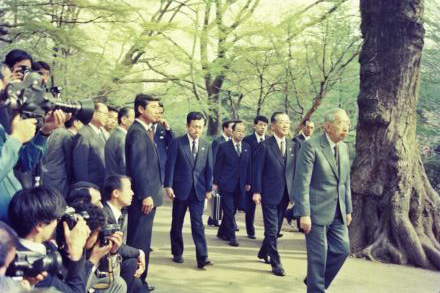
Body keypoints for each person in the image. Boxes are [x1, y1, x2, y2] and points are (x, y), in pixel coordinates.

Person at [292, 108, 352, 293]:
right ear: (327, 126)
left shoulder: (343, 147)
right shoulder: (312, 146)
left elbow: (345, 181)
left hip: (338, 210)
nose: (346, 128)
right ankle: (316, 288)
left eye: (348, 124)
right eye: (341, 123)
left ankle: (313, 281)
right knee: (318, 257)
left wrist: (348, 209)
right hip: (315, 210)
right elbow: (302, 182)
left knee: (342, 250)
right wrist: (304, 213)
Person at [0, 60, 67, 221]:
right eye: (9, 80)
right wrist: (16, 139)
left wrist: (44, 132)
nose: (13, 86)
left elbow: (24, 164)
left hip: (14, 224)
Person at [8, 186, 90, 292]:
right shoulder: (31, 269)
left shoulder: (45, 245)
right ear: (40, 226)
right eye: (58, 219)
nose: (59, 223)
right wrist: (77, 255)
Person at [164, 112, 213, 269]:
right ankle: (177, 252)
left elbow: (209, 169)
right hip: (180, 190)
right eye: (194, 127)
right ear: (188, 126)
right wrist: (168, 185)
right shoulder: (178, 143)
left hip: (198, 191)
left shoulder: (206, 145)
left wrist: (208, 188)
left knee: (198, 224)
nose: (197, 130)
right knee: (177, 222)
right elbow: (170, 165)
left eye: (200, 127)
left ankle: (202, 257)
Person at [125, 94, 163, 291]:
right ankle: (134, 284)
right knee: (138, 241)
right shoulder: (137, 133)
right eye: (154, 107)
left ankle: (141, 282)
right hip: (143, 199)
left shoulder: (146, 131)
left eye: (159, 107)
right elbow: (138, 167)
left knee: (143, 241)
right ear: (141, 109)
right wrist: (145, 194)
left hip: (148, 197)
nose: (158, 110)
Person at [252, 112, 296, 277]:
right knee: (271, 229)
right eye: (282, 122)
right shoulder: (265, 145)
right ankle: (276, 263)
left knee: (276, 228)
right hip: (268, 193)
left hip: (285, 194)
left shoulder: (293, 145)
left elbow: (294, 171)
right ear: (273, 126)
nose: (286, 125)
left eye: (288, 122)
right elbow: (257, 170)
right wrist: (257, 191)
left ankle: (263, 252)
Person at [101, 175, 149, 292]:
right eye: (129, 189)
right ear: (116, 193)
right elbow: (115, 246)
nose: (132, 193)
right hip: (100, 267)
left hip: (111, 263)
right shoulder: (104, 215)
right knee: (131, 265)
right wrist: (139, 253)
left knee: (137, 283)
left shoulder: (117, 213)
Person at [71, 202, 127, 293]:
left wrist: (112, 254)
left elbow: (109, 278)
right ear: (87, 232)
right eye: (97, 233)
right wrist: (93, 260)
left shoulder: (92, 249)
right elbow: (76, 287)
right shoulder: (68, 249)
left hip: (90, 285)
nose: (99, 238)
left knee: (118, 283)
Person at [214, 120, 251, 247]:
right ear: (232, 132)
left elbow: (248, 166)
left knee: (233, 210)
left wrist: (248, 182)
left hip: (240, 185)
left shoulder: (246, 147)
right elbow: (217, 165)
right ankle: (232, 236)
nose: (241, 134)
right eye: (238, 131)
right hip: (226, 184)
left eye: (243, 131)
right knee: (229, 211)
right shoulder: (223, 146)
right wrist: (215, 183)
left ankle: (221, 232)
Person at [41, 117, 83, 196]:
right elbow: (69, 160)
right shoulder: (66, 135)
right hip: (58, 179)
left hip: (50, 176)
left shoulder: (58, 133)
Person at [285, 119, 315, 225]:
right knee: (300, 199)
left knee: (307, 199)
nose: (310, 130)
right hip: (298, 175)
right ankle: (298, 223)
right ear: (302, 127)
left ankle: (289, 213)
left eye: (312, 128)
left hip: (311, 176)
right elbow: (295, 160)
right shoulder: (296, 141)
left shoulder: (313, 141)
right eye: (308, 127)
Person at [242, 115, 268, 239]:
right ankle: (250, 230)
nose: (262, 127)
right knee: (250, 206)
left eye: (264, 125)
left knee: (268, 206)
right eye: (260, 125)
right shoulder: (247, 140)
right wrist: (247, 180)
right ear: (255, 126)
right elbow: (245, 162)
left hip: (266, 179)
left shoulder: (270, 141)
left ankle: (269, 231)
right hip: (251, 178)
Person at [72, 102, 108, 188]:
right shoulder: (83, 134)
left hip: (103, 184)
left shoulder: (102, 133)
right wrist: (86, 188)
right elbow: (80, 166)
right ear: (94, 114)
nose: (106, 118)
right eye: (105, 114)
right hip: (92, 185)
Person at [207, 119, 234, 227]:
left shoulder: (233, 142)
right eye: (232, 127)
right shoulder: (218, 142)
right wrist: (214, 178)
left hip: (228, 177)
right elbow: (213, 160)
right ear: (225, 128)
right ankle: (215, 218)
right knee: (218, 198)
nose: (233, 130)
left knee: (222, 199)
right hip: (219, 176)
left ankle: (213, 218)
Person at [105, 107, 135, 177]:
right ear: (124, 120)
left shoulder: (115, 135)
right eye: (134, 118)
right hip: (121, 181)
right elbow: (124, 165)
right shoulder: (122, 138)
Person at [153, 102, 175, 182]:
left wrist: (168, 128)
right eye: (157, 112)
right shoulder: (144, 127)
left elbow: (172, 144)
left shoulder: (163, 128)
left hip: (162, 170)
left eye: (161, 113)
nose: (159, 115)